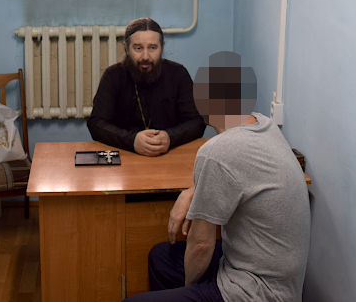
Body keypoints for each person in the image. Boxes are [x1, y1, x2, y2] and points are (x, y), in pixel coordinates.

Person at [124, 51, 311, 302]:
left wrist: (188, 291)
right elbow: (241, 175)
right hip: (277, 277)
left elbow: (201, 245)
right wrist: (192, 192)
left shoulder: (216, 151)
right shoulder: (264, 125)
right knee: (161, 257)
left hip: (256, 292)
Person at [87, 18, 205, 156]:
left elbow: (197, 122)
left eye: (152, 48)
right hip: (126, 156)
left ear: (162, 46)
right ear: (126, 48)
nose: (145, 56)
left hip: (169, 155)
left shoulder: (178, 74)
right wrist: (131, 140)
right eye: (138, 48)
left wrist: (170, 137)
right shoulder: (113, 75)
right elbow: (96, 123)